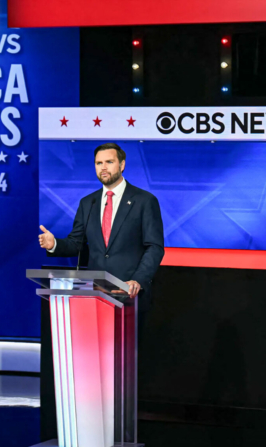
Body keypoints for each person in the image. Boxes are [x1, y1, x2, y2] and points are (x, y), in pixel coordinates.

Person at [36, 142, 164, 442]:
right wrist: (55, 244)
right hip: (92, 301)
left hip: (127, 299)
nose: (103, 168)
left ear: (122, 164)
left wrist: (137, 280)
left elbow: (154, 247)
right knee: (93, 374)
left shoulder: (144, 201)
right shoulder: (88, 203)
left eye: (108, 162)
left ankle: (120, 434)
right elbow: (77, 243)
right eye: (97, 163)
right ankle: (92, 433)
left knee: (123, 372)